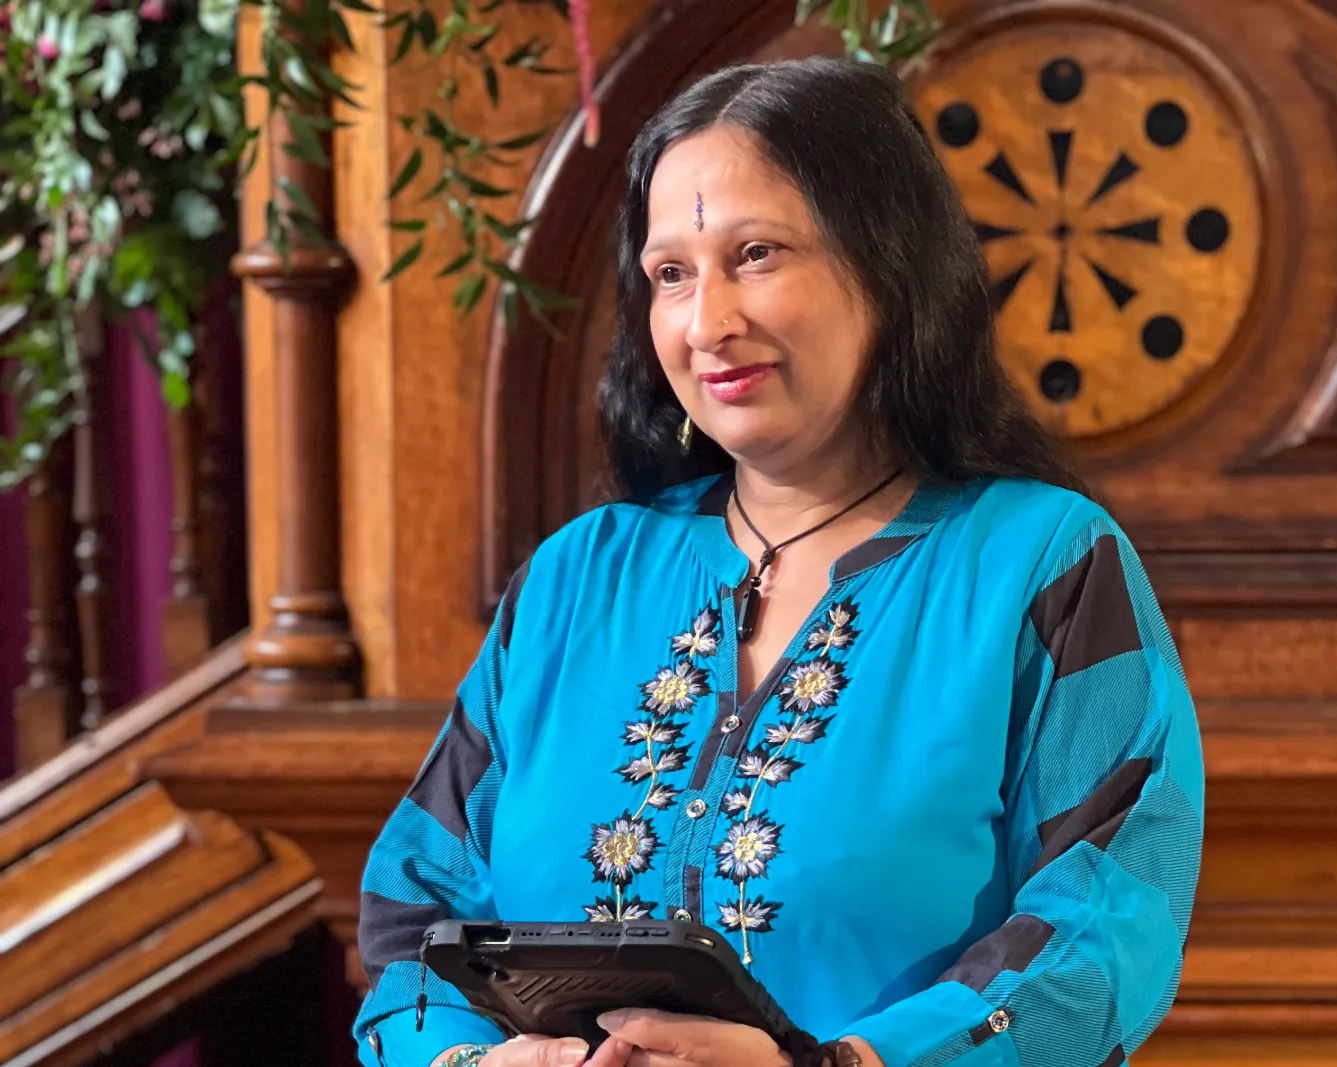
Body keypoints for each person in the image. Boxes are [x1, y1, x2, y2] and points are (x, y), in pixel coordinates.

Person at [354, 56, 1203, 1067]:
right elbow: (412, 919)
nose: (708, 323)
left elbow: (1097, 935)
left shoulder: (1041, 564)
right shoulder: (577, 578)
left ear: (890, 268)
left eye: (756, 254)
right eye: (671, 273)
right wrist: (477, 1062)